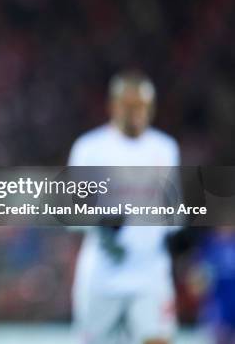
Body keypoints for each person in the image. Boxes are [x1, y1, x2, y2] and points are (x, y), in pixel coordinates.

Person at [68, 71, 180, 344]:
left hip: (150, 272)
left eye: (142, 106)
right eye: (129, 106)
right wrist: (101, 222)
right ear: (113, 106)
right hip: (102, 273)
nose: (136, 113)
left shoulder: (165, 148)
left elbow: (173, 213)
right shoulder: (89, 149)